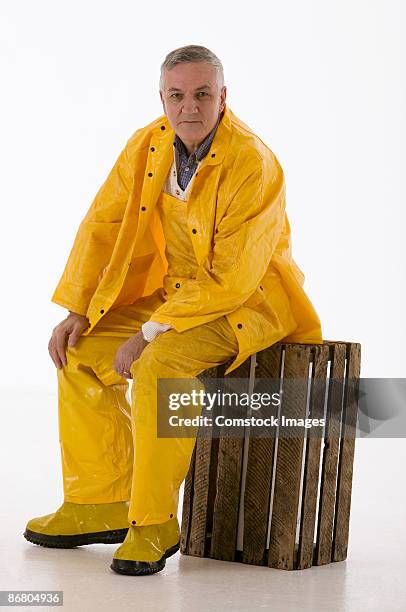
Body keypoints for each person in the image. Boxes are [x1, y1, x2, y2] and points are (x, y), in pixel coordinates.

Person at [23, 45, 323, 576]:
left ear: (223, 97)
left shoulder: (251, 161)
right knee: (77, 353)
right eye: (178, 95)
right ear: (161, 98)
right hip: (179, 296)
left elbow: (234, 278)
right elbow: (103, 225)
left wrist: (149, 333)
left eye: (203, 94)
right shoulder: (147, 145)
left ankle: (155, 521)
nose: (190, 106)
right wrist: (77, 308)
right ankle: (100, 501)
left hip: (248, 303)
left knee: (161, 366)